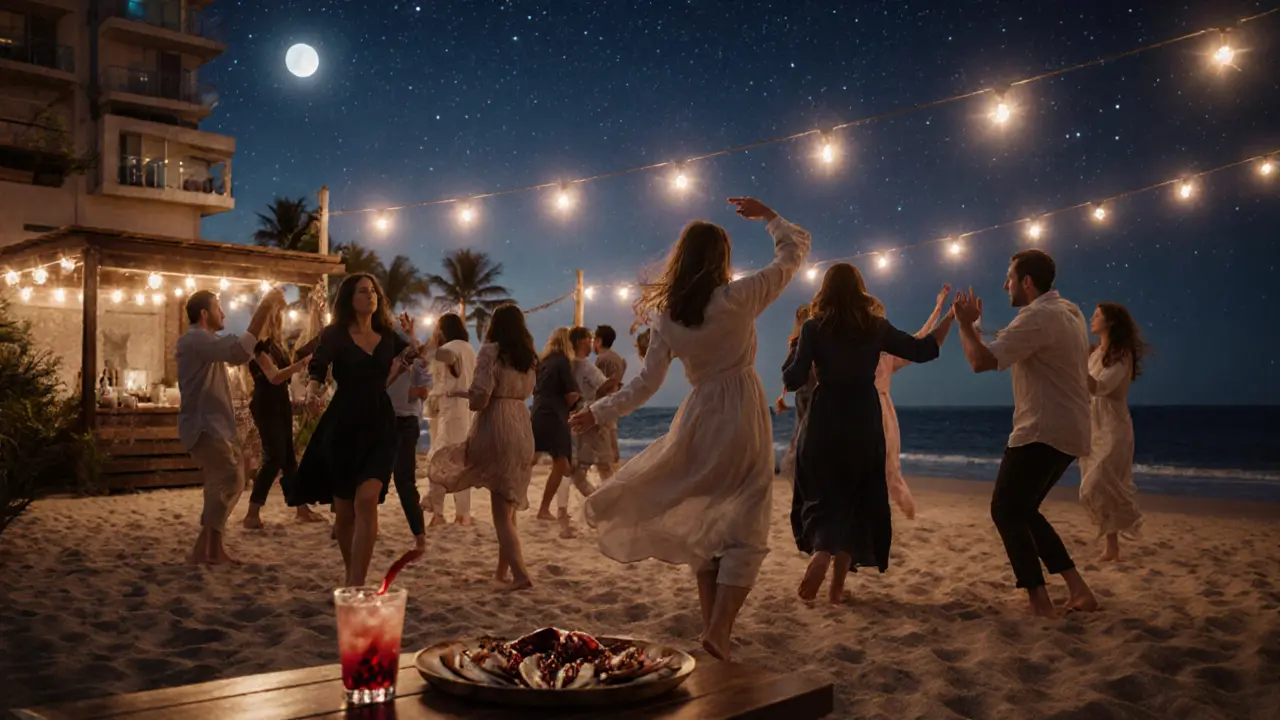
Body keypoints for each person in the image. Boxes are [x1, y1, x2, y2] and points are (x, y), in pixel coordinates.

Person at [570, 197, 810, 662]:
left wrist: (599, 412)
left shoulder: (669, 317)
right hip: (740, 408)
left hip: (699, 413)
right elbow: (793, 253)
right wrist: (771, 218)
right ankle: (718, 630)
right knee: (747, 519)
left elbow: (645, 384)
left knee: (707, 516)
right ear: (719, 259)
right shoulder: (739, 297)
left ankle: (711, 629)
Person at [783, 265, 951, 604]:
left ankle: (821, 552)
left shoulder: (814, 328)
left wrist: (798, 346)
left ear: (824, 292)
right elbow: (923, 350)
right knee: (858, 498)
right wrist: (952, 317)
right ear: (861, 290)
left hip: (825, 419)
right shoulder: (875, 327)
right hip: (863, 418)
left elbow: (792, 379)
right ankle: (837, 587)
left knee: (822, 493)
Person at [952, 249, 1100, 618]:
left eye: (1009, 278)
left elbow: (980, 361)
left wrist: (963, 324)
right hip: (1071, 430)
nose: (1005, 285)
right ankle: (1078, 589)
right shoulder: (1069, 311)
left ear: (1027, 282)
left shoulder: (1037, 317)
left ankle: (1039, 601)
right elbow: (1016, 340)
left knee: (1005, 509)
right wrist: (979, 325)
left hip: (1043, 429)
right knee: (1024, 510)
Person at [290, 274, 418, 587]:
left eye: (374, 291)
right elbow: (318, 365)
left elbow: (414, 357)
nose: (371, 295)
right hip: (343, 424)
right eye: (363, 291)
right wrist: (311, 392)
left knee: (366, 501)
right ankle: (354, 577)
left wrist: (413, 339)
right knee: (344, 510)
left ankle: (356, 583)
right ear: (350, 298)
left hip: (380, 423)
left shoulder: (388, 335)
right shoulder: (335, 333)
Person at [428, 304, 538, 590]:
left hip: (496, 428)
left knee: (500, 514)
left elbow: (480, 398)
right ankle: (501, 574)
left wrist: (462, 394)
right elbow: (527, 392)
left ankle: (520, 574)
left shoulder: (491, 351)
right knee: (509, 506)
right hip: (522, 426)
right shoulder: (527, 357)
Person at [177, 287, 285, 564]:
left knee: (229, 479)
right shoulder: (194, 339)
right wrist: (264, 305)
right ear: (204, 314)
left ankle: (209, 549)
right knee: (229, 477)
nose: (223, 313)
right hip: (203, 426)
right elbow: (238, 352)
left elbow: (240, 351)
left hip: (213, 425)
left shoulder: (204, 341)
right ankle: (205, 549)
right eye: (218, 307)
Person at [241, 307, 324, 529]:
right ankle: (252, 513)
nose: (279, 321)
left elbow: (287, 370)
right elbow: (275, 377)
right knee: (275, 456)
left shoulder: (277, 346)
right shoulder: (258, 348)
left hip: (280, 403)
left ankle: (301, 508)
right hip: (265, 404)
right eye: (275, 318)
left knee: (288, 457)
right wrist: (300, 365)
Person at [875, 284, 952, 520]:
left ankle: (908, 512)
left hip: (880, 410)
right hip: (863, 410)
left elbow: (918, 341)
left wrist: (939, 308)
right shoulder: (856, 350)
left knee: (889, 466)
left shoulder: (886, 356)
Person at [1079, 302, 1145, 561]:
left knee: (1098, 483)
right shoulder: (1095, 353)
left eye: (1097, 315)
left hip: (1113, 426)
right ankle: (1112, 547)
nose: (1091, 318)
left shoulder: (1122, 354)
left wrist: (1076, 364)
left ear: (1111, 322)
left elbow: (1100, 387)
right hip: (1092, 425)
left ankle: (1121, 530)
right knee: (1100, 487)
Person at [557, 326, 618, 538]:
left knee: (578, 471)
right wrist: (615, 383)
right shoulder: (585, 366)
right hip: (593, 419)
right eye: (589, 338)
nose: (592, 342)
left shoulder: (566, 366)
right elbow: (603, 389)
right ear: (582, 341)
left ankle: (596, 507)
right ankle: (606, 510)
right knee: (604, 468)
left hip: (575, 421)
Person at [421, 313, 478, 526]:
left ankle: (438, 511)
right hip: (463, 411)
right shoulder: (468, 348)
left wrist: (430, 346)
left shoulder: (451, 348)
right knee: (459, 463)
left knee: (438, 459)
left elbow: (447, 358)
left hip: (452, 412)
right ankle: (460, 513)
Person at [533, 327, 581, 522]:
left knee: (532, 457)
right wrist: (576, 404)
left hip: (537, 411)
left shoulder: (543, 362)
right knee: (561, 462)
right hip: (555, 415)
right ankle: (544, 509)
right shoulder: (562, 361)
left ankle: (512, 500)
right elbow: (571, 394)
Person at [385, 343, 430, 552]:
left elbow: (425, 389)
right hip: (382, 418)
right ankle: (345, 523)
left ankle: (419, 535)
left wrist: (415, 391)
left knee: (404, 480)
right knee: (366, 475)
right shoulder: (382, 357)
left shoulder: (418, 362)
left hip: (406, 421)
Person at [776, 304, 815, 480]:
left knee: (803, 442)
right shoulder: (807, 339)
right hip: (811, 393)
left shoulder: (799, 341)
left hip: (809, 393)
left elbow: (788, 372)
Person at [593, 325, 627, 465]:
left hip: (603, 404)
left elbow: (598, 385)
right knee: (612, 439)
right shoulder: (619, 359)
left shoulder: (602, 360)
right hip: (615, 403)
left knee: (604, 446)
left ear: (599, 341)